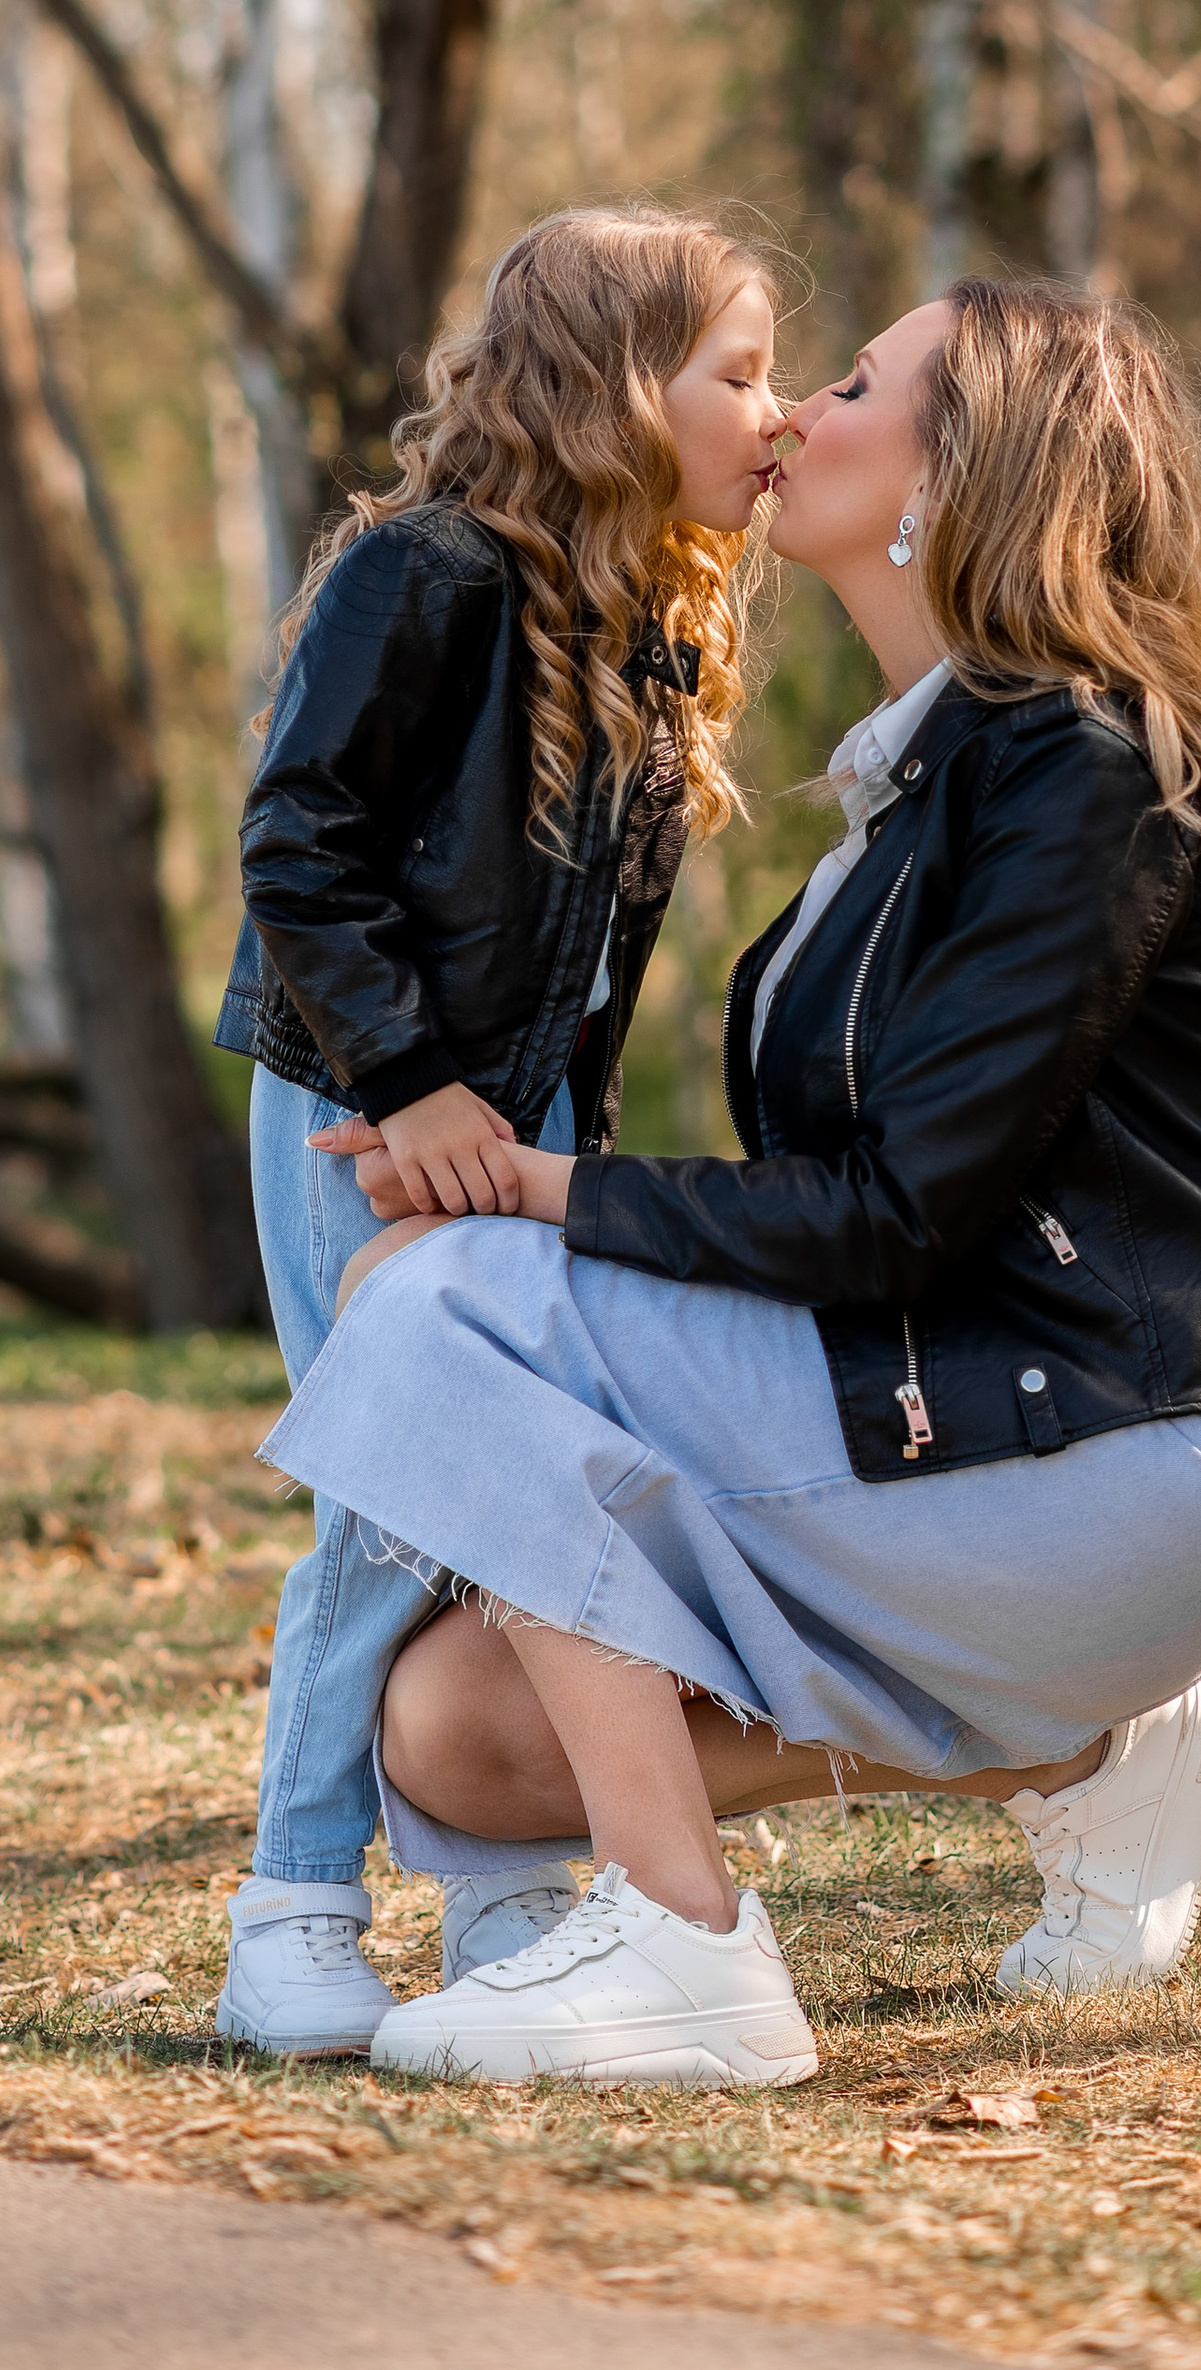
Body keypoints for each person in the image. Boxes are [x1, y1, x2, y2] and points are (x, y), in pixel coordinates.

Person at [267, 275, 1201, 2088]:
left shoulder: (1074, 776)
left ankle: (686, 1944)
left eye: (852, 383)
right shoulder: (927, 783)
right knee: (455, 1731)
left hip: (1131, 1443)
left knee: (432, 1290)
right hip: (957, 1406)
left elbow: (896, 1212)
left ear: (954, 473)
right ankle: (1084, 1755)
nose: (794, 415)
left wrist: (540, 1196)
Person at [211, 206, 790, 2057]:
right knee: (398, 1504)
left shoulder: (650, 634)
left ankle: (505, 1897)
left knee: (520, 1506)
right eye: (744, 372)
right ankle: (290, 1911)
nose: (774, 413)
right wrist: (404, 1082)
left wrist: (566, 1162)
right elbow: (295, 840)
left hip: (510, 1127)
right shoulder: (429, 572)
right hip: (354, 1109)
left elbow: (592, 975)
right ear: (622, 391)